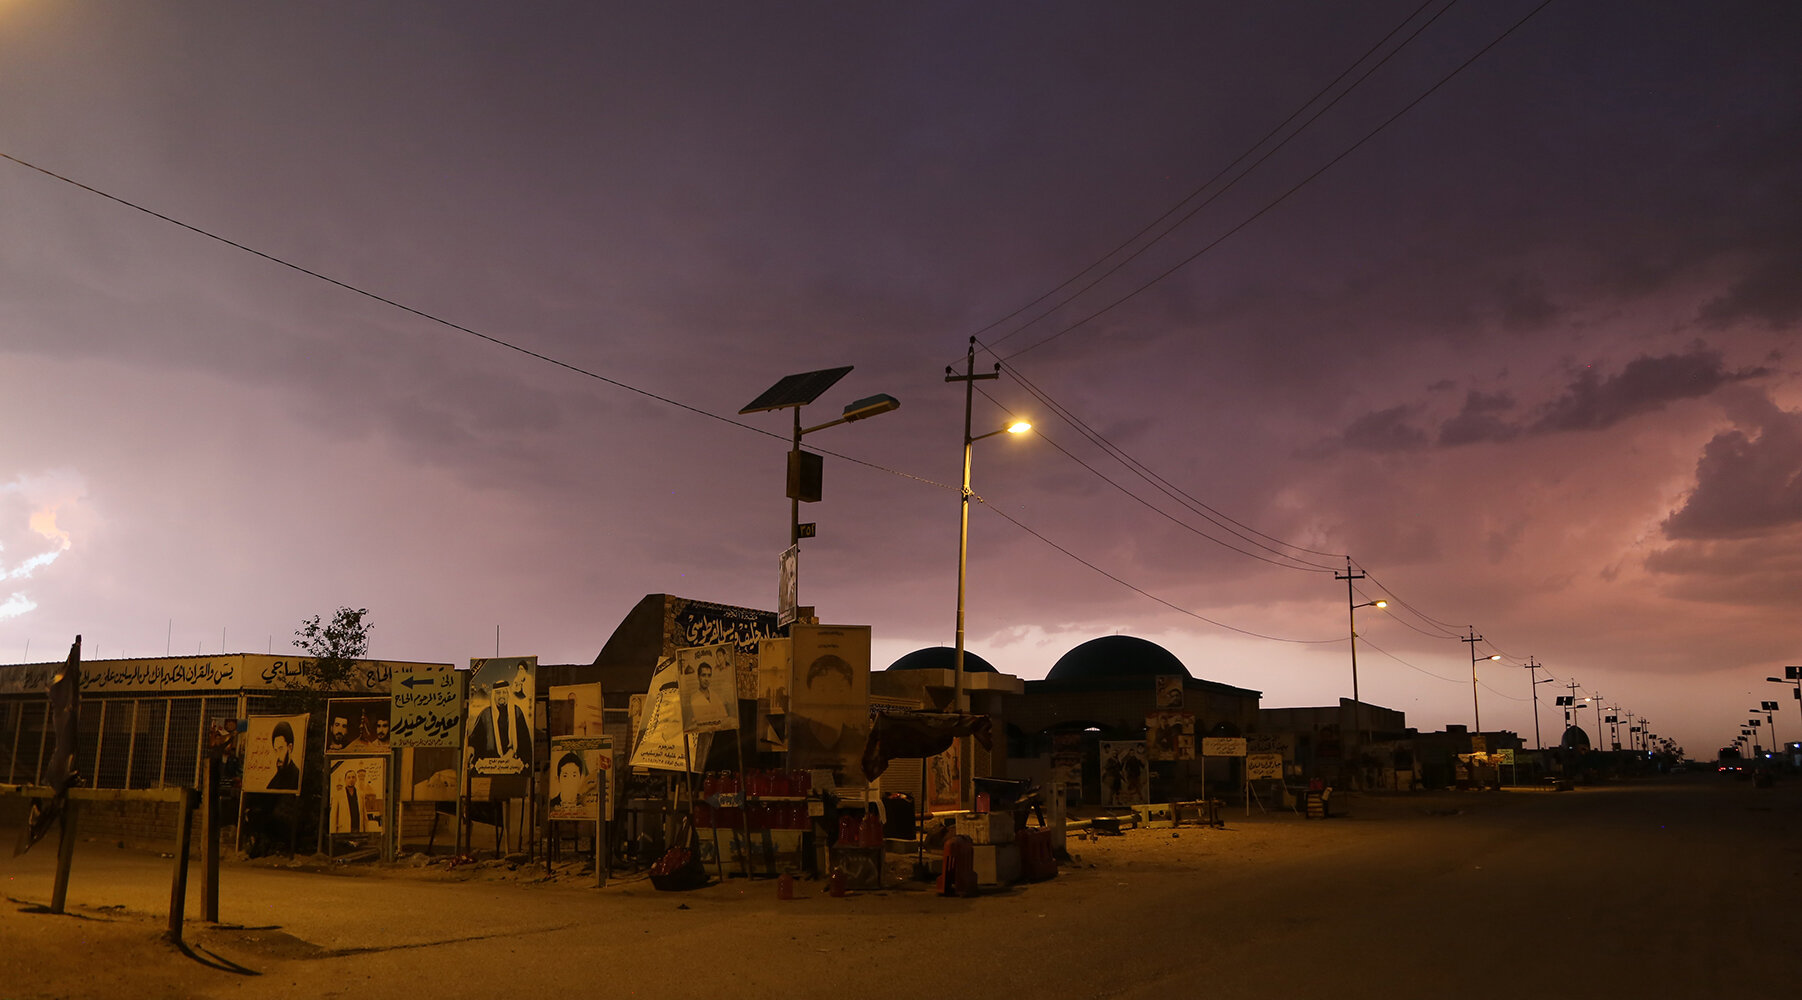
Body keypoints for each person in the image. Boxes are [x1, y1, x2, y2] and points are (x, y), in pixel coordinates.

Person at [470, 679, 533, 770]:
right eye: (498, 693)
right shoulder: (486, 714)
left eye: (504, 692)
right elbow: (475, 739)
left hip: (513, 763)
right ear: (494, 695)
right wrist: (471, 749)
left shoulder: (516, 711)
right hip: (490, 764)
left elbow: (525, 741)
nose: (501, 696)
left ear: (508, 694)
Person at [266, 721, 300, 790]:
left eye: (280, 749)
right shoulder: (273, 783)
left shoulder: (298, 777)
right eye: (275, 750)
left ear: (290, 747)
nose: (277, 755)